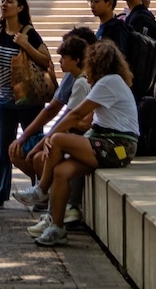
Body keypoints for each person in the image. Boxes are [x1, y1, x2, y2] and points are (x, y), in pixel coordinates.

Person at [30, 39, 140, 246]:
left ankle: (41, 189)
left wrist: (49, 138)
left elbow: (76, 114)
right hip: (108, 142)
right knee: (61, 172)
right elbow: (87, 119)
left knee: (58, 138)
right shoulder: (111, 82)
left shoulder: (109, 81)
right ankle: (56, 226)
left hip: (118, 146)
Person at [9, 33, 94, 206]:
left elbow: (69, 119)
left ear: (77, 59)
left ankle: (48, 197)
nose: (60, 61)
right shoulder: (77, 79)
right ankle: (46, 196)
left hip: (81, 139)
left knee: (41, 157)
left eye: (64, 57)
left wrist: (38, 146)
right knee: (24, 152)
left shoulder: (81, 83)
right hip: (74, 136)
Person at [0, 0, 52, 209]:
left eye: (10, 1)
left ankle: (38, 191)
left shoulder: (28, 32)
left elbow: (46, 60)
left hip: (29, 100)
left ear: (20, 7)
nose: (4, 5)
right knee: (4, 148)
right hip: (6, 100)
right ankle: (0, 193)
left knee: (33, 146)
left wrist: (25, 44)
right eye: (2, 0)